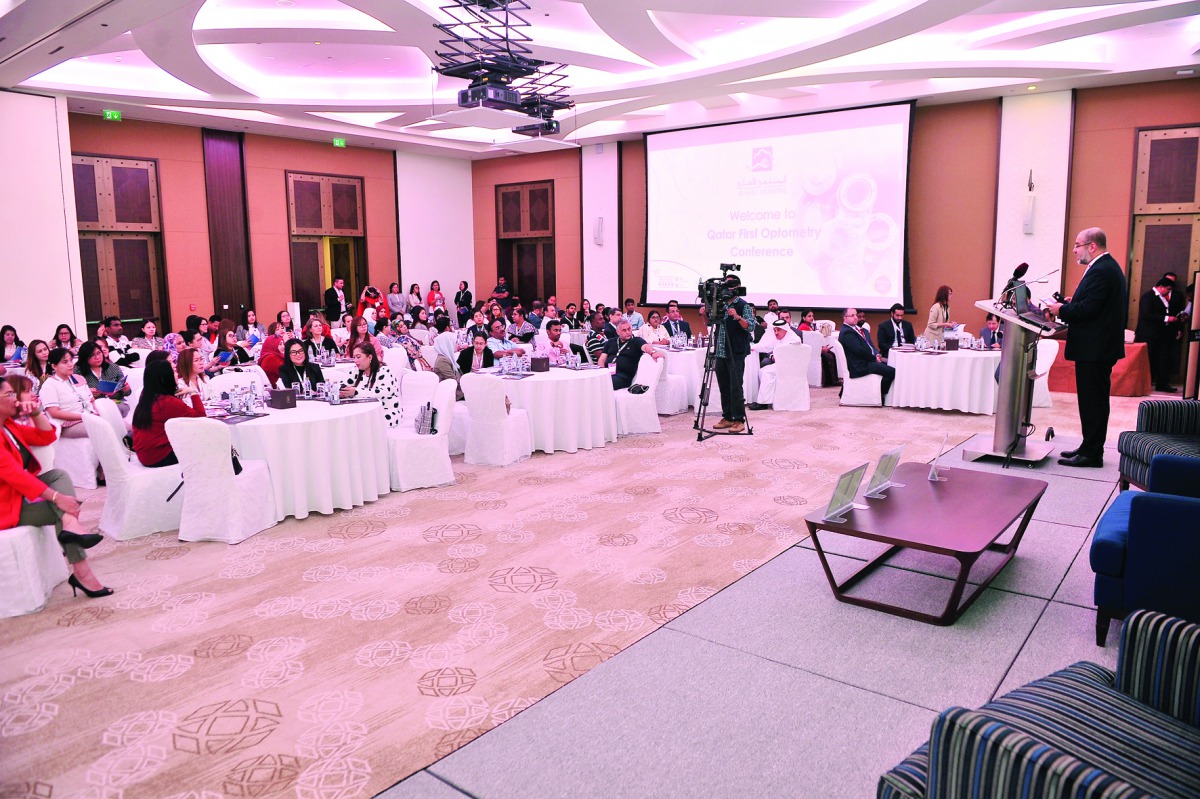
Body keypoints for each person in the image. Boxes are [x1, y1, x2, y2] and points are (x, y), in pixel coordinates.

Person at [1, 375, 111, 598]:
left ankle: (71, 526)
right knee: (60, 506)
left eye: (14, 393)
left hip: (18, 495)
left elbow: (47, 435)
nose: (15, 399)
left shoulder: (8, 425)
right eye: (9, 394)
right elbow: (14, 475)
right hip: (6, 505)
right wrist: (56, 498)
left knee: (58, 475)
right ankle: (82, 573)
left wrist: (34, 412)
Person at [1045, 227, 1127, 468]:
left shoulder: (1102, 270)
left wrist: (1061, 310)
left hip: (1095, 348)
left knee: (1093, 402)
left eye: (1077, 245)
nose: (1074, 250)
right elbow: (1094, 303)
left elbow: (1088, 311)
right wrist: (1073, 301)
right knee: (1092, 400)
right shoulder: (1105, 267)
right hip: (1096, 347)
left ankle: (1092, 453)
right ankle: (1088, 446)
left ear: (1092, 246)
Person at [131, 358, 206, 468]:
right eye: (174, 371)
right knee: (208, 442)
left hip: (146, 454)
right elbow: (201, 416)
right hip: (159, 456)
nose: (177, 374)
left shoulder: (147, 397)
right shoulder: (166, 402)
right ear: (165, 377)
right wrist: (193, 392)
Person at [710, 277, 755, 432]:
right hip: (720, 351)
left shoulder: (743, 305)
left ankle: (739, 419)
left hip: (736, 351)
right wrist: (704, 313)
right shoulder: (720, 304)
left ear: (736, 287)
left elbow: (750, 327)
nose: (726, 289)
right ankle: (728, 417)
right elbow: (711, 323)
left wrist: (737, 317)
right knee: (724, 386)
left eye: (729, 286)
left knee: (735, 386)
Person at [1135, 277, 1181, 393]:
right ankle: (1142, 384)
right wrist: (1166, 318)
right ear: (1161, 287)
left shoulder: (1161, 298)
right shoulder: (1148, 297)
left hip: (1161, 334)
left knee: (1163, 358)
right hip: (1148, 334)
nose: (1169, 292)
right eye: (1168, 289)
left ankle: (1162, 383)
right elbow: (1146, 314)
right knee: (1147, 359)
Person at [839, 307, 894, 403]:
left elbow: (868, 346)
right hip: (860, 365)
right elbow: (859, 351)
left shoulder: (854, 329)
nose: (856, 317)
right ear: (845, 318)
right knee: (891, 371)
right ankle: (880, 395)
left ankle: (878, 393)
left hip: (865, 361)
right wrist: (874, 358)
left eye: (856, 315)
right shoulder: (847, 332)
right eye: (852, 315)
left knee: (890, 365)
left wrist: (875, 355)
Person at [41, 348, 100, 438]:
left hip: (89, 416)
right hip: (68, 424)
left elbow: (91, 400)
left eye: (71, 360)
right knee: (101, 429)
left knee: (119, 425)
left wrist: (97, 413)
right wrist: (83, 417)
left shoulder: (79, 378)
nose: (70, 364)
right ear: (54, 366)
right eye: (65, 362)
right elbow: (54, 413)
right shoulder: (49, 385)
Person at [340, 343, 401, 427]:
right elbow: (344, 385)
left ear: (370, 357)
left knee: (357, 424)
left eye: (358, 357)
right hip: (362, 411)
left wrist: (356, 392)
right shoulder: (356, 370)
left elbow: (382, 392)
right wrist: (342, 392)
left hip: (385, 411)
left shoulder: (385, 371)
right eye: (354, 357)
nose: (355, 361)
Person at [749, 320, 803, 409]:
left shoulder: (794, 339)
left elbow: (791, 356)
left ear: (785, 329)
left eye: (779, 330)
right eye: (774, 330)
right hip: (782, 366)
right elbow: (765, 346)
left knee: (767, 372)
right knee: (762, 371)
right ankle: (768, 399)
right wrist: (751, 347)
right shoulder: (778, 338)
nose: (776, 333)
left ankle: (763, 403)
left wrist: (776, 356)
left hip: (792, 367)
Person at [598, 320, 664, 390]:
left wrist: (653, 352)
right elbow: (602, 359)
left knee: (604, 384)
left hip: (623, 376)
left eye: (629, 329)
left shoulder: (636, 341)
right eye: (624, 330)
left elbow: (645, 346)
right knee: (595, 381)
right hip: (607, 373)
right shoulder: (610, 342)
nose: (627, 332)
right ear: (618, 332)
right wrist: (602, 372)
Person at [76, 340, 132, 416]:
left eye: (99, 353)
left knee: (119, 408)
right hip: (91, 404)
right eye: (92, 355)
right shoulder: (78, 371)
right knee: (99, 411)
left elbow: (126, 392)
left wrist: (126, 389)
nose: (97, 357)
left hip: (114, 401)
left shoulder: (113, 367)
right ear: (85, 358)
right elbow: (74, 392)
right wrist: (87, 392)